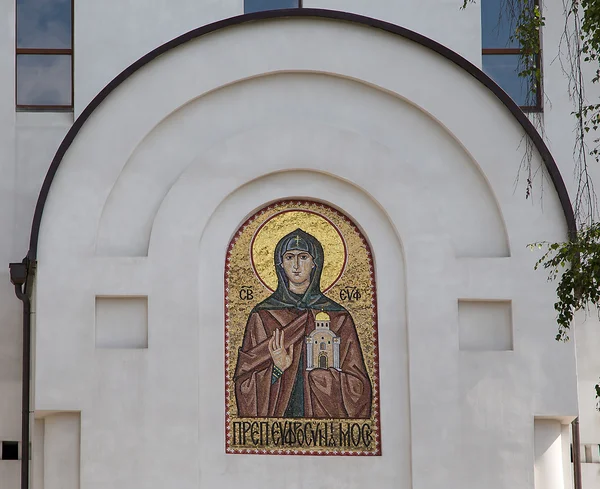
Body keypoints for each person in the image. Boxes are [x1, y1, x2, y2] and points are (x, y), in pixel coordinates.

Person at [234, 228, 372, 418]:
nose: (296, 265)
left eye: (304, 257)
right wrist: (276, 369)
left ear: (315, 263)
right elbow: (244, 384)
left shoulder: (338, 318)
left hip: (324, 427)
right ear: (280, 264)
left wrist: (323, 377)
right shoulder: (263, 316)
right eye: (290, 257)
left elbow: (359, 389)